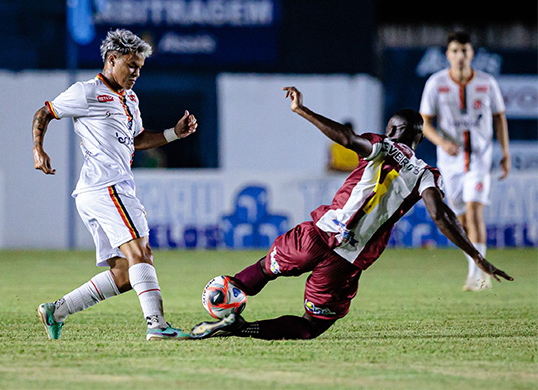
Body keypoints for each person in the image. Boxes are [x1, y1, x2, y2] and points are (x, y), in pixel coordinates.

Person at [189, 86, 513, 341]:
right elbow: (441, 216)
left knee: (265, 267)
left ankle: (228, 294)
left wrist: (301, 109)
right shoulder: (427, 174)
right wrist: (475, 255)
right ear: (418, 138)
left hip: (316, 235)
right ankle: (239, 329)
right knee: (311, 325)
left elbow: (345, 138)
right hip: (347, 259)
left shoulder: (380, 144)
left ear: (391, 128)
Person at [32, 29, 198, 340]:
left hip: (104, 190)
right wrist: (38, 148)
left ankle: (57, 310)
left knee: (124, 274)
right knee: (142, 252)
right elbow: (45, 112)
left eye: (140, 67)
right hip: (106, 186)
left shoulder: (130, 99)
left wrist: (174, 133)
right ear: (112, 59)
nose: (136, 73)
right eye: (131, 65)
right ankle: (158, 326)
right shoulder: (87, 92)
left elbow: (137, 139)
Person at [419, 31, 510, 291]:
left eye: (465, 50)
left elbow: (499, 117)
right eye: (455, 51)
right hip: (450, 162)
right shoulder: (436, 84)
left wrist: (505, 153)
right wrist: (441, 142)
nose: (460, 56)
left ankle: (477, 277)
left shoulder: (486, 82)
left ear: (472, 54)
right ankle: (475, 270)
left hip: (480, 158)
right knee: (460, 221)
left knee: (474, 212)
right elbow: (425, 122)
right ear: (447, 54)